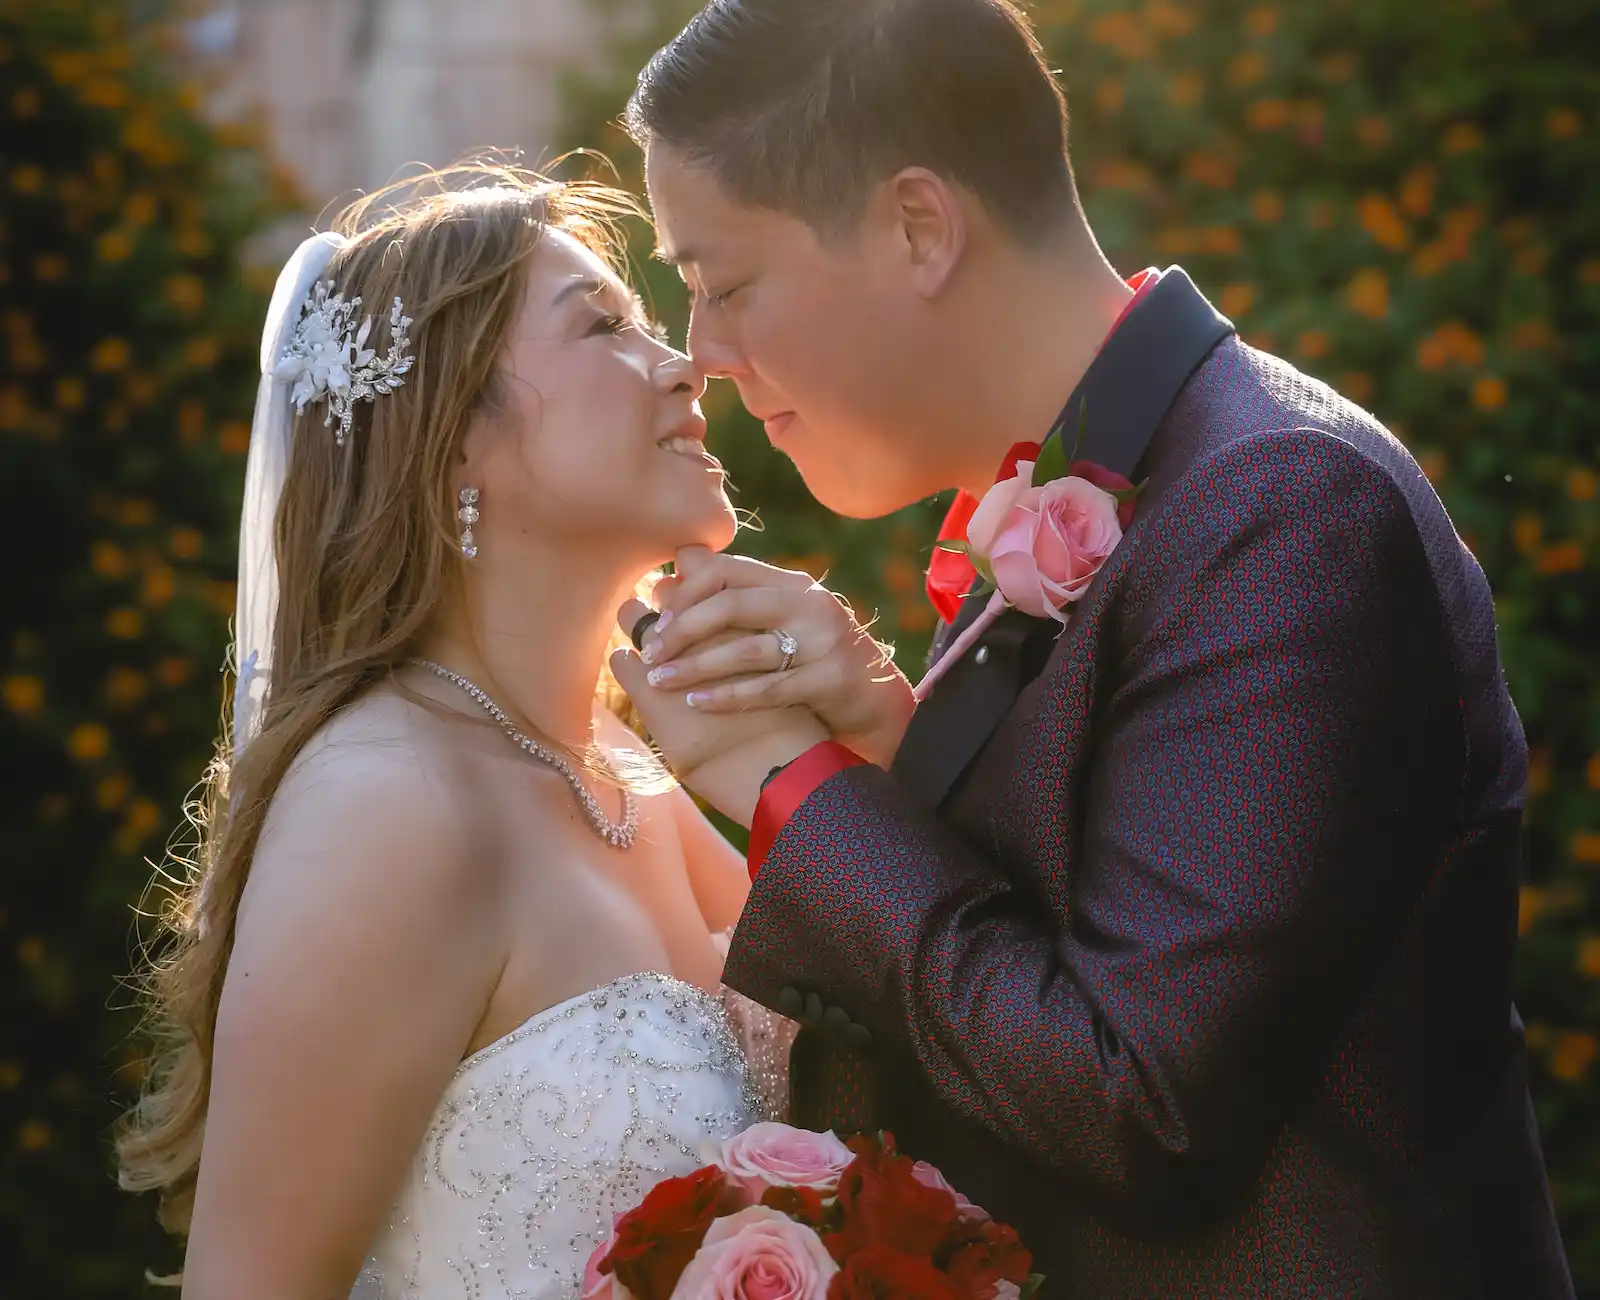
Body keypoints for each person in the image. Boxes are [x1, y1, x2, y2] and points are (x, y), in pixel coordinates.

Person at [608, 1, 1576, 1295]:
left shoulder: (1280, 509)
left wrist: (794, 783)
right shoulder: (1129, 475)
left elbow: (1142, 1107)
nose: (705, 359)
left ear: (917, 226)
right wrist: (893, 741)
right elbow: (1093, 904)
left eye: (723, 285)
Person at [116, 164, 803, 1300]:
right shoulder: (385, 802)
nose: (684, 366)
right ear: (452, 444)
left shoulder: (636, 773)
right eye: (605, 329)